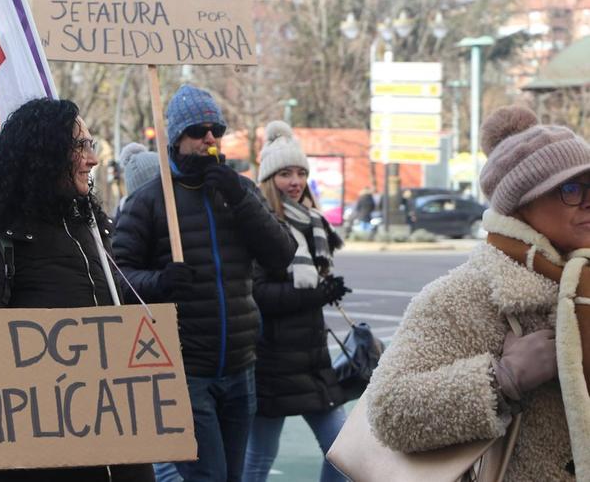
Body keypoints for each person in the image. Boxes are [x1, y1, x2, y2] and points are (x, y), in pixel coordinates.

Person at [365, 105, 590, 480]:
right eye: (571, 188)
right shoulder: (468, 293)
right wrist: (504, 378)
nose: (588, 199)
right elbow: (388, 409)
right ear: (521, 204)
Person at [0, 98, 155, 482]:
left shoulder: (90, 231)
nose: (92, 159)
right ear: (44, 154)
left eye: (92, 146)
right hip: (40, 463)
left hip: (115, 449)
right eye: (81, 146)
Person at [112, 85, 296, 482]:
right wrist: (160, 282)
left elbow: (281, 255)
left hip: (241, 365)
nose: (210, 138)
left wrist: (239, 196)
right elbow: (117, 277)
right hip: (185, 369)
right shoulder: (149, 201)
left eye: (216, 129)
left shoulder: (240, 191)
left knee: (232, 476)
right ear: (178, 139)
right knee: (207, 477)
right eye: (198, 130)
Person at [242, 121, 349, 482]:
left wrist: (326, 288)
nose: (295, 181)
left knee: (345, 452)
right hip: (271, 361)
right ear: (269, 178)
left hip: (311, 359)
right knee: (257, 461)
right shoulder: (260, 224)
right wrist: (316, 294)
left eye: (301, 172)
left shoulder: (314, 224)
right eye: (285, 173)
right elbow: (258, 293)